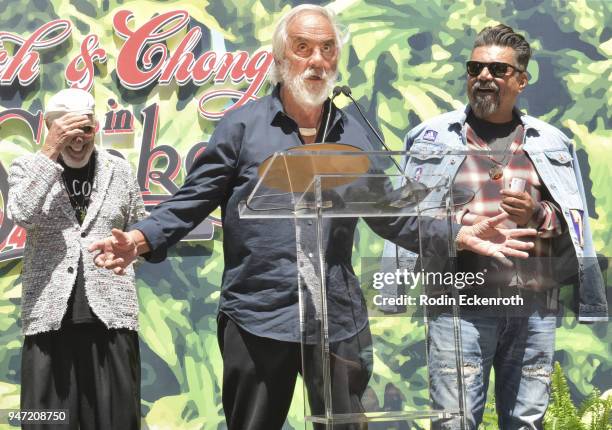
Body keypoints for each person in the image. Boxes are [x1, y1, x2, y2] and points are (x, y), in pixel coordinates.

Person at [88, 7, 536, 430]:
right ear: (281, 58)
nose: (316, 61)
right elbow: (192, 199)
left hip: (335, 318)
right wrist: (139, 240)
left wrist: (458, 234)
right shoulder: (242, 127)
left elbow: (389, 213)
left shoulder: (354, 133)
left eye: (327, 49)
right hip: (258, 313)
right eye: (303, 48)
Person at [391, 24, 608, 429]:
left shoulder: (552, 143)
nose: (484, 76)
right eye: (475, 68)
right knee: (455, 423)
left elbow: (573, 225)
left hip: (534, 309)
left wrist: (537, 214)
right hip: (459, 306)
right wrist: (459, 225)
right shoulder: (429, 138)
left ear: (522, 81)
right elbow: (404, 218)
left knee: (526, 423)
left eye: (498, 69)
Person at [7, 88, 145, 429]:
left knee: (118, 421)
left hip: (111, 317)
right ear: (50, 127)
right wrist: (49, 153)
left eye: (84, 130)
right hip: (48, 320)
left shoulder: (118, 170)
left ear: (95, 126)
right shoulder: (27, 168)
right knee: (45, 421)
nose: (78, 140)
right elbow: (21, 213)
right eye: (67, 132)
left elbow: (139, 229)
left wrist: (130, 252)